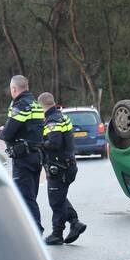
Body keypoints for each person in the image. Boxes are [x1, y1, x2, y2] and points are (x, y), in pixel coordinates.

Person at [38, 92, 87, 246]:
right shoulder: (61, 117)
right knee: (59, 197)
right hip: (68, 165)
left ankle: (57, 234)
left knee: (56, 201)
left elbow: (54, 143)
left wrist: (39, 144)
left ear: (41, 106)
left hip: (60, 168)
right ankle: (74, 222)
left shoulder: (52, 120)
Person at [0, 75, 44, 230]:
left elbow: (8, 133)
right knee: (31, 196)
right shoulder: (36, 104)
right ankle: (33, 230)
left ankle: (35, 232)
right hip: (37, 156)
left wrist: (0, 132)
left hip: (23, 158)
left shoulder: (20, 106)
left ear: (14, 89)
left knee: (25, 198)